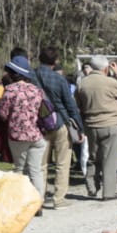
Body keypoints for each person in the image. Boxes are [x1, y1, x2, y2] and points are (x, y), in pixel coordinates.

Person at [75, 54, 117, 203]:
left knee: (93, 158)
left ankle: (91, 188)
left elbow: (78, 104)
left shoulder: (82, 83)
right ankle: (108, 192)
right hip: (110, 124)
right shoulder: (109, 82)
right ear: (106, 68)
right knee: (110, 159)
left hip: (91, 125)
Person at [36, 47, 85, 206]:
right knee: (62, 163)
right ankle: (59, 198)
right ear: (55, 61)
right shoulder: (59, 79)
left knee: (40, 165)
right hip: (60, 121)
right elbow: (70, 105)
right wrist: (79, 127)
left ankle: (39, 197)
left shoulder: (31, 76)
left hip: (39, 124)